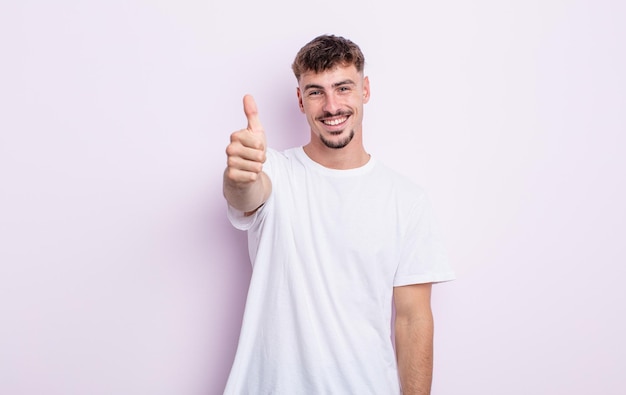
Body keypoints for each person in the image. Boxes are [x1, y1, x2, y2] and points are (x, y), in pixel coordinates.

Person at [223, 34, 455, 395]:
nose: (331, 106)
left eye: (343, 88)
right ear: (300, 100)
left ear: (365, 90)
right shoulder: (274, 172)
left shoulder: (406, 200)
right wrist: (239, 175)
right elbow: (247, 195)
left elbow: (413, 320)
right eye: (316, 91)